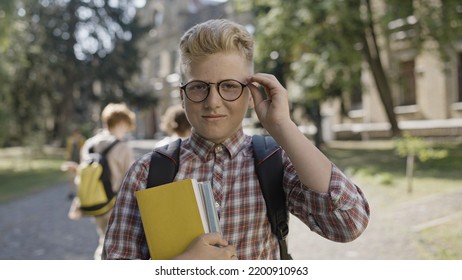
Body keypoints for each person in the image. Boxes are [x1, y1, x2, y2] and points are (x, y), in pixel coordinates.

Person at [103, 19, 370, 260]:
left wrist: (282, 126)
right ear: (182, 95)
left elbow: (348, 223)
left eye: (229, 86)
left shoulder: (273, 163)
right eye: (199, 87)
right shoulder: (147, 172)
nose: (213, 102)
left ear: (251, 94)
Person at [68, 103, 136, 260]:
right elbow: (132, 177)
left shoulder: (89, 144)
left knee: (103, 237)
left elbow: (85, 173)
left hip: (95, 201)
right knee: (114, 244)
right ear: (122, 122)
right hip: (115, 203)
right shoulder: (123, 147)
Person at [61, 128, 86, 200]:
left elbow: (83, 149)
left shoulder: (81, 140)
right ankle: (71, 192)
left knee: (80, 177)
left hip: (80, 161)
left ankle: (80, 192)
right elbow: (68, 151)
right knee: (71, 178)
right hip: (72, 161)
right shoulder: (70, 140)